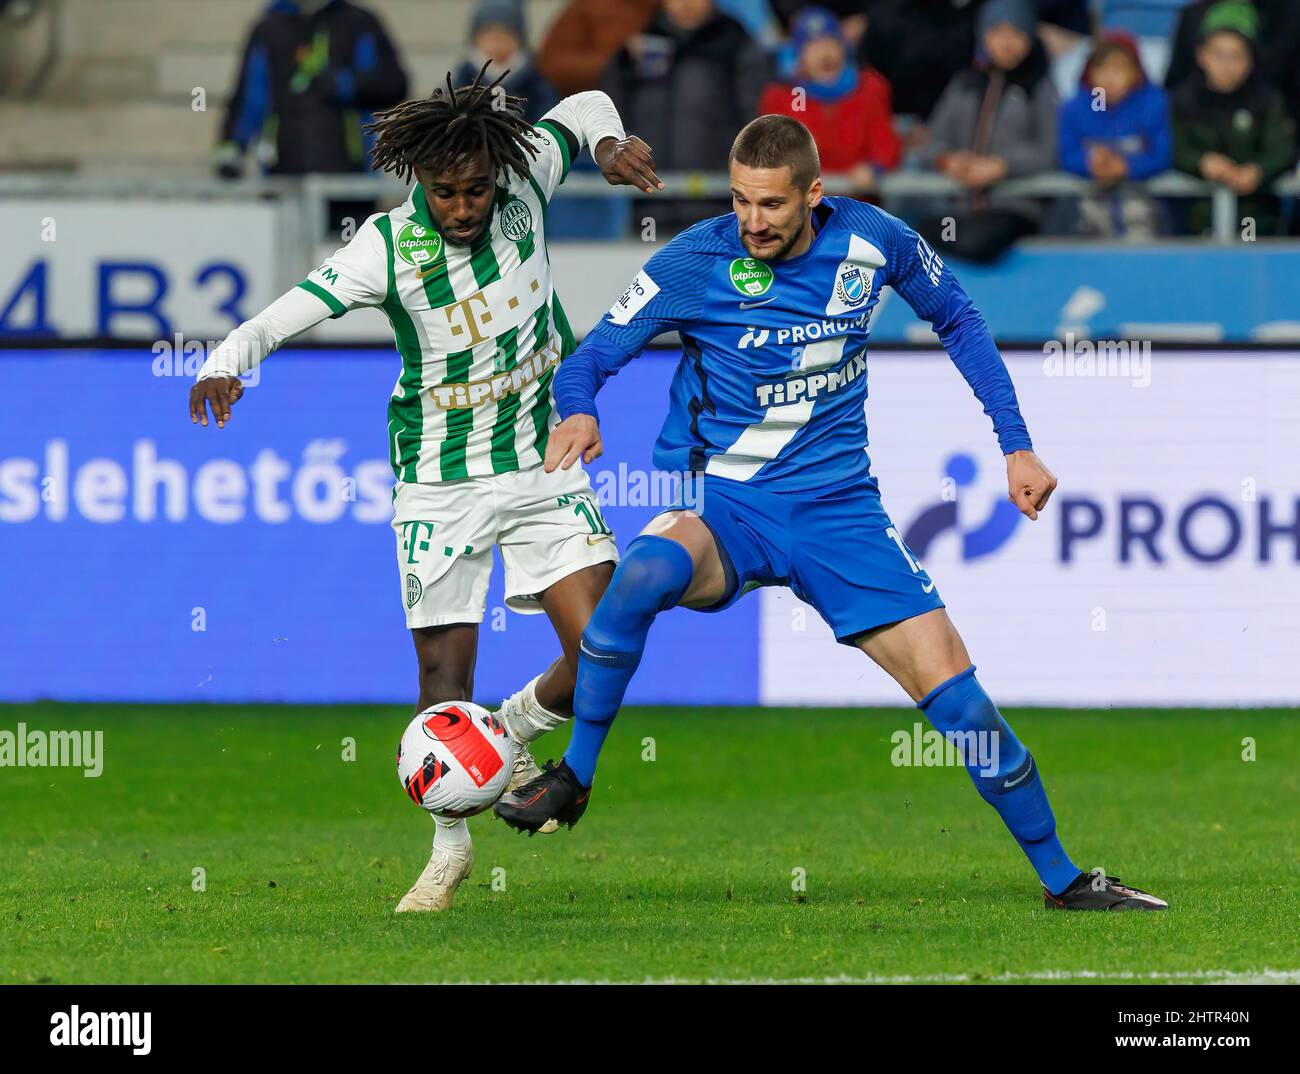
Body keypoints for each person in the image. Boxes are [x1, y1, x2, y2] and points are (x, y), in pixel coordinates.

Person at [494, 114, 1168, 913]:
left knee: (962, 703)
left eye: (771, 205)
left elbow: (959, 317)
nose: (752, 221)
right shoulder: (692, 261)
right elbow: (592, 355)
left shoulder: (874, 239)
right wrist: (579, 410)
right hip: (726, 506)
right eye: (741, 200)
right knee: (640, 574)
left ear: (815, 194)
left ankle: (1064, 879)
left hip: (839, 514)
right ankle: (575, 773)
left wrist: (1016, 445)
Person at [190, 67, 664, 912]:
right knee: (444, 679)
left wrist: (606, 141)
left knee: (606, 647)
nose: (462, 207)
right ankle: (450, 847)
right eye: (445, 193)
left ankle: (511, 729)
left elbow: (585, 104)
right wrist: (229, 360)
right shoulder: (386, 247)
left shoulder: (528, 180)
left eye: (475, 189)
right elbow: (287, 311)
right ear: (420, 184)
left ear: (495, 175)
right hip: (437, 480)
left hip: (539, 460)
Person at [602, 0, 769, 231]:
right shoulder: (635, 42)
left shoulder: (736, 42)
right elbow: (607, 116)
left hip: (717, 204)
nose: (686, 3)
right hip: (648, 206)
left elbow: (756, 124)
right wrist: (622, 60)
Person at [915, 0, 1059, 261]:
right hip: (958, 207)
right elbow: (929, 144)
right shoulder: (964, 85)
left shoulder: (1039, 88)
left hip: (1013, 207)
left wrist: (1001, 167)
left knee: (978, 242)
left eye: (1017, 33)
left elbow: (1048, 151)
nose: (1007, 42)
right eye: (997, 32)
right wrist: (949, 161)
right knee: (916, 234)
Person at [216, 0, 408, 178]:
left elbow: (393, 84)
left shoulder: (359, 23)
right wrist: (233, 148)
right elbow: (250, 98)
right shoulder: (269, 27)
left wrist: (345, 84)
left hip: (349, 176)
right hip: (283, 175)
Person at [1170, 1, 1296, 235]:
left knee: (1251, 260)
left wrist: (1258, 170)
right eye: (1218, 54)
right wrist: (1201, 162)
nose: (1226, 65)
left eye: (1236, 56)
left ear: (1251, 59)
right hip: (1195, 221)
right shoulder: (1182, 102)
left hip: (1256, 220)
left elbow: (1282, 150)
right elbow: (1171, 146)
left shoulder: (1267, 102)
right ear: (1201, 55)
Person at [759, 6, 901, 197]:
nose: (825, 54)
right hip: (803, 208)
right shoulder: (781, 97)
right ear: (800, 56)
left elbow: (885, 142)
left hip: (857, 206)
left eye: (831, 44)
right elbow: (772, 152)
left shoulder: (869, 87)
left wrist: (874, 168)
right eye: (814, 47)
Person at [1058, 31, 1172, 238]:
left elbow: (1162, 154)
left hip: (1143, 205)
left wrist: (1127, 166)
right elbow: (1066, 152)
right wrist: (1090, 162)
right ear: (1090, 73)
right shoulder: (1080, 106)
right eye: (1103, 68)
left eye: (1119, 69)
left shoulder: (1152, 103)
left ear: (1136, 73)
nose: (1110, 78)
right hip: (1089, 205)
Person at [453, 0, 558, 123]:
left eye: (505, 37)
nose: (497, 45)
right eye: (490, 37)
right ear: (476, 40)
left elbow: (547, 116)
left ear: (519, 40)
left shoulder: (533, 81)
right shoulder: (465, 77)